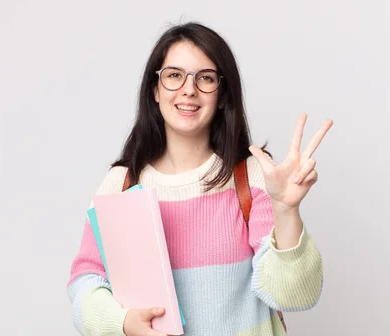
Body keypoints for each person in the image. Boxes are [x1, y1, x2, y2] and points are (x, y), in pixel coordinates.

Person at [67, 21, 333, 336]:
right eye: (174, 76)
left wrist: (287, 210)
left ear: (222, 95)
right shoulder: (121, 184)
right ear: (155, 89)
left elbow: (292, 295)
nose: (188, 89)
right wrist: (121, 323)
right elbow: (85, 281)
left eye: (205, 78)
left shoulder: (252, 177)